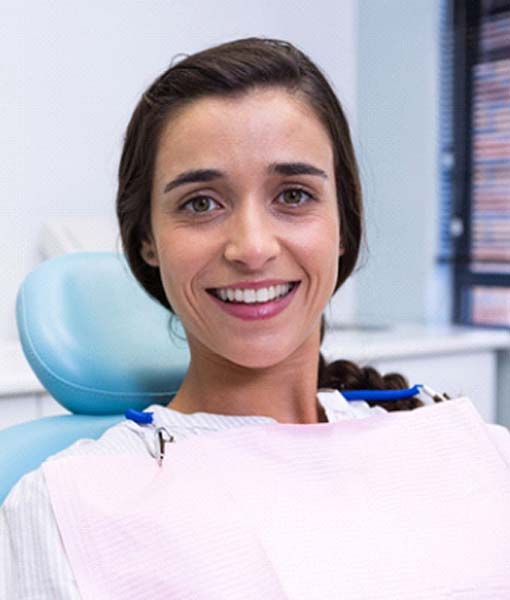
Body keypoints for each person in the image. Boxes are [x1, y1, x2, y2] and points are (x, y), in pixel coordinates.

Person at [1, 37, 468, 598]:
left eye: (293, 195)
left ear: (342, 223)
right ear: (147, 239)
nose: (251, 247)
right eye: (201, 203)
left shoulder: (456, 442)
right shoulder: (68, 505)